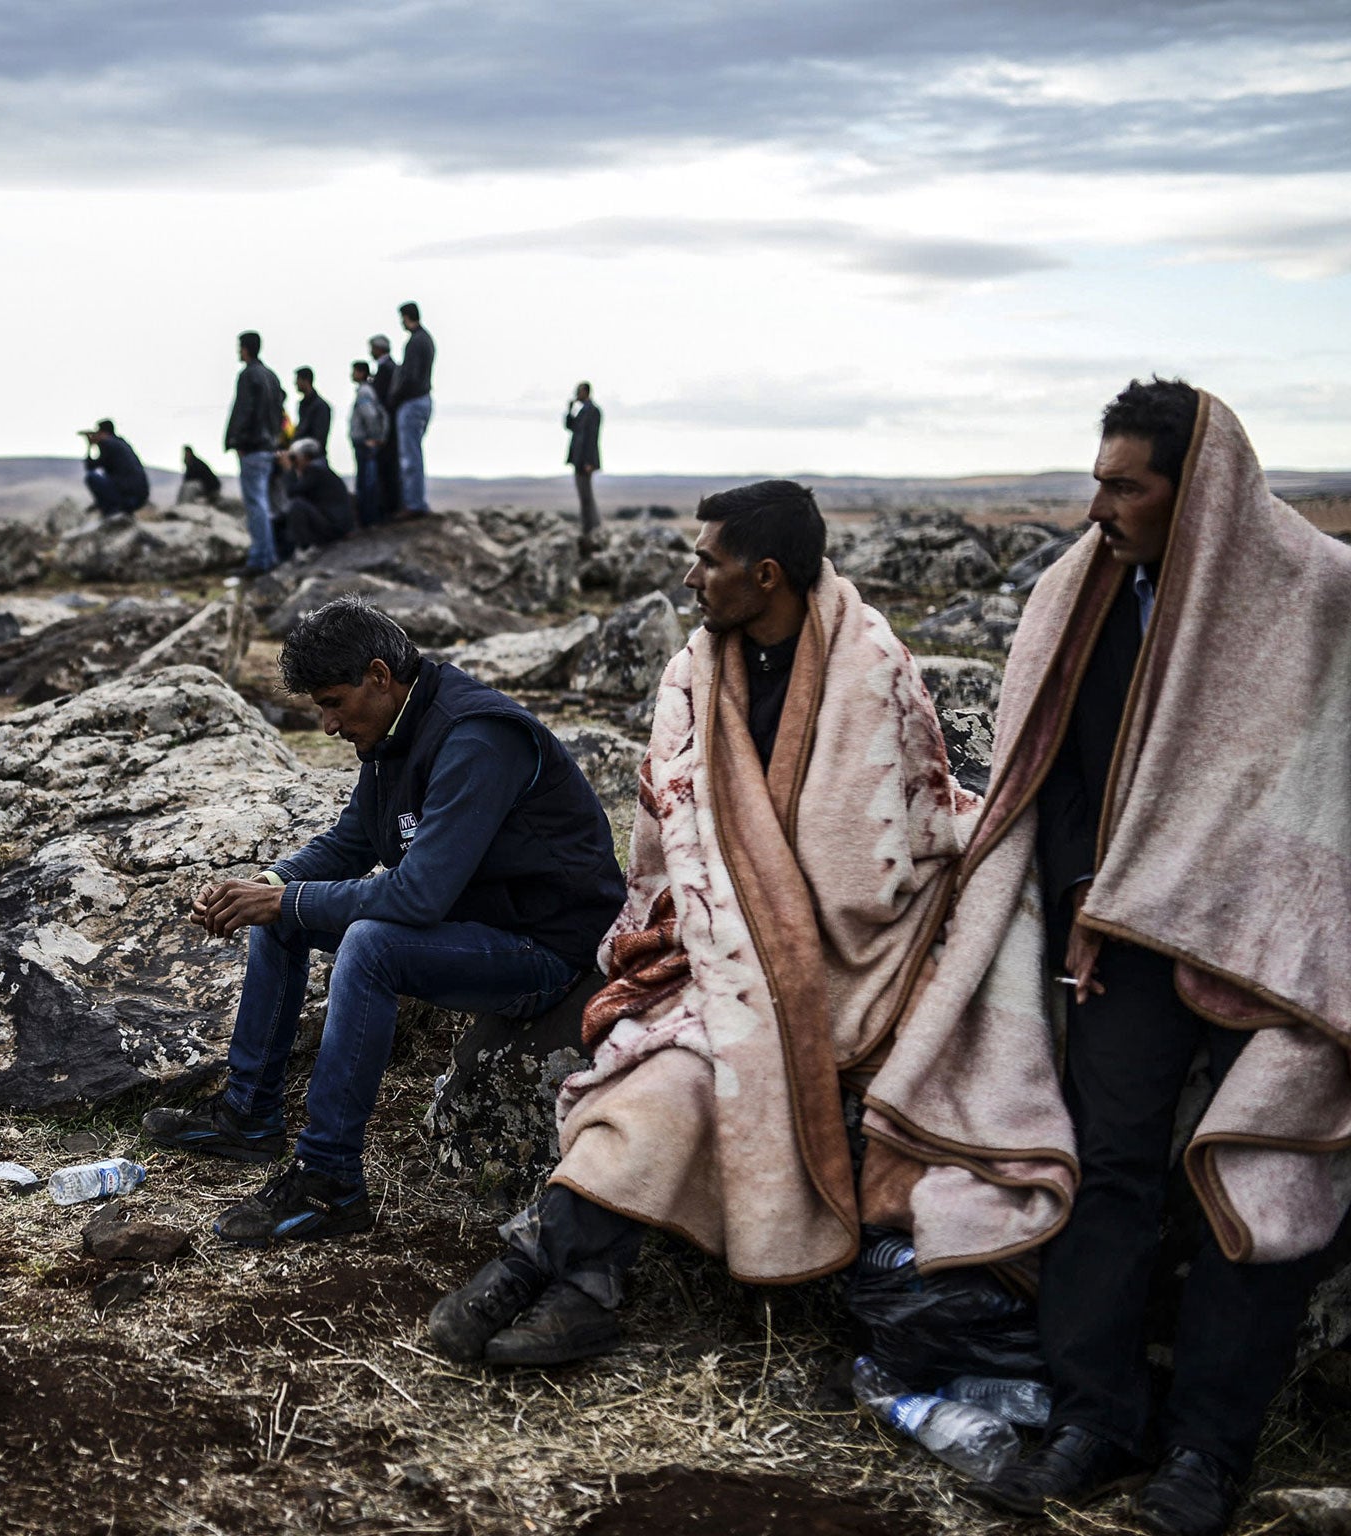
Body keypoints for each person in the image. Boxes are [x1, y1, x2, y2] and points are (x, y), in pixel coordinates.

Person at [427, 480, 1075, 1368]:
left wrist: (768, 922)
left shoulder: (871, 668)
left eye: (707, 558)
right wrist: (703, 923)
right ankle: (568, 1278)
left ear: (765, 575)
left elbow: (886, 853)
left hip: (854, 956)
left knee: (698, 1065)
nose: (691, 577)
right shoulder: (695, 673)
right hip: (724, 942)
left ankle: (547, 1270)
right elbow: (667, 842)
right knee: (657, 1075)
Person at [924, 380, 1351, 1536]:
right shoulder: (1083, 596)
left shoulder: (1317, 595)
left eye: (1125, 484)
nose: (1097, 505)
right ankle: (1091, 1422)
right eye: (1096, 478)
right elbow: (1050, 767)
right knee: (1106, 1167)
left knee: (1262, 1183)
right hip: (1126, 934)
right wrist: (1078, 894)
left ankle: (1206, 1458)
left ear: (1195, 487)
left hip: (1278, 951)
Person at [141, 596, 627, 1244]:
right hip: (474, 926)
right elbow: (351, 843)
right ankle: (247, 1117)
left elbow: (418, 897)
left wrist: (286, 900)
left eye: (334, 703)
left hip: (544, 950)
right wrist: (270, 884)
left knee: (369, 944)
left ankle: (329, 1180)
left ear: (379, 674)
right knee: (283, 917)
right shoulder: (397, 729)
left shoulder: (476, 736)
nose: (328, 723)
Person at [224, 331, 284, 574]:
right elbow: (278, 412)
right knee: (263, 503)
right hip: (268, 446)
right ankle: (267, 556)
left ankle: (260, 559)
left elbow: (245, 410)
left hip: (254, 447)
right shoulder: (271, 376)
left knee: (256, 504)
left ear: (246, 348)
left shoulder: (249, 375)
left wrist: (238, 440)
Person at [389, 303, 435, 516]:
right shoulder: (424, 340)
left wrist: (396, 396)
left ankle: (414, 504)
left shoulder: (416, 342)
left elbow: (411, 376)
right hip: (422, 400)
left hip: (413, 402)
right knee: (412, 453)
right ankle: (414, 501)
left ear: (406, 317)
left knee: (410, 456)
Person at [276, 440, 353, 555]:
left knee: (297, 505)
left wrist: (288, 470)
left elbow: (292, 491)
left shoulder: (315, 470)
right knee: (279, 519)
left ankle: (305, 548)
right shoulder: (320, 469)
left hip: (334, 527)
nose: (294, 462)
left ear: (306, 457)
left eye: (294, 458)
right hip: (333, 522)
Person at [347, 361, 389, 527]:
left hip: (365, 443)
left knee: (367, 482)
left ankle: (369, 519)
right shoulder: (367, 391)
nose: (352, 374)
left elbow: (370, 415)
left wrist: (372, 437)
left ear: (361, 372)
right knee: (367, 480)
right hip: (366, 442)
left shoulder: (364, 392)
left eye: (354, 371)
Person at [80, 419, 150, 515]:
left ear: (103, 433)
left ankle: (112, 512)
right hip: (140, 496)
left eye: (98, 433)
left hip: (128, 495)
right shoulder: (121, 443)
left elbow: (91, 466)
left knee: (91, 477)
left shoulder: (107, 443)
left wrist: (90, 445)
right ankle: (117, 510)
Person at [367, 335, 402, 518]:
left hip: (387, 427)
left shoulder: (386, 369)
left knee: (387, 467)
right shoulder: (391, 368)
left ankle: (390, 508)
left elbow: (382, 401)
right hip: (391, 425)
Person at [565, 383, 602, 553]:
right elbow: (570, 427)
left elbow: (592, 437)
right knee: (583, 495)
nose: (576, 395)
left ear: (585, 392)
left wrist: (589, 461)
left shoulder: (593, 411)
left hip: (585, 461)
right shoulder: (581, 411)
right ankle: (587, 526)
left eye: (578, 392)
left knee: (586, 495)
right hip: (578, 459)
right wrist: (570, 410)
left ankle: (592, 527)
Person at [293, 368, 332, 468]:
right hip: (303, 457)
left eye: (298, 380)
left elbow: (319, 436)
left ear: (305, 381)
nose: (295, 383)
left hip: (314, 458)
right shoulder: (304, 404)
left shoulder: (320, 406)